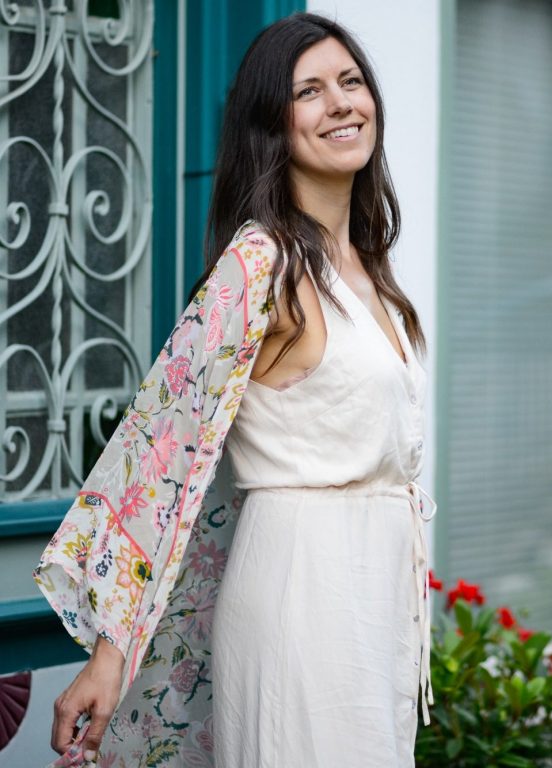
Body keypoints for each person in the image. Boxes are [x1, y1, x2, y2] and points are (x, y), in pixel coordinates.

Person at [35, 11, 436, 768]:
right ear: (271, 125)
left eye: (351, 81)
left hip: (374, 593)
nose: (343, 103)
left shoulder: (370, 271)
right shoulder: (261, 264)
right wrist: (110, 653)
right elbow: (161, 443)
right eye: (310, 91)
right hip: (303, 591)